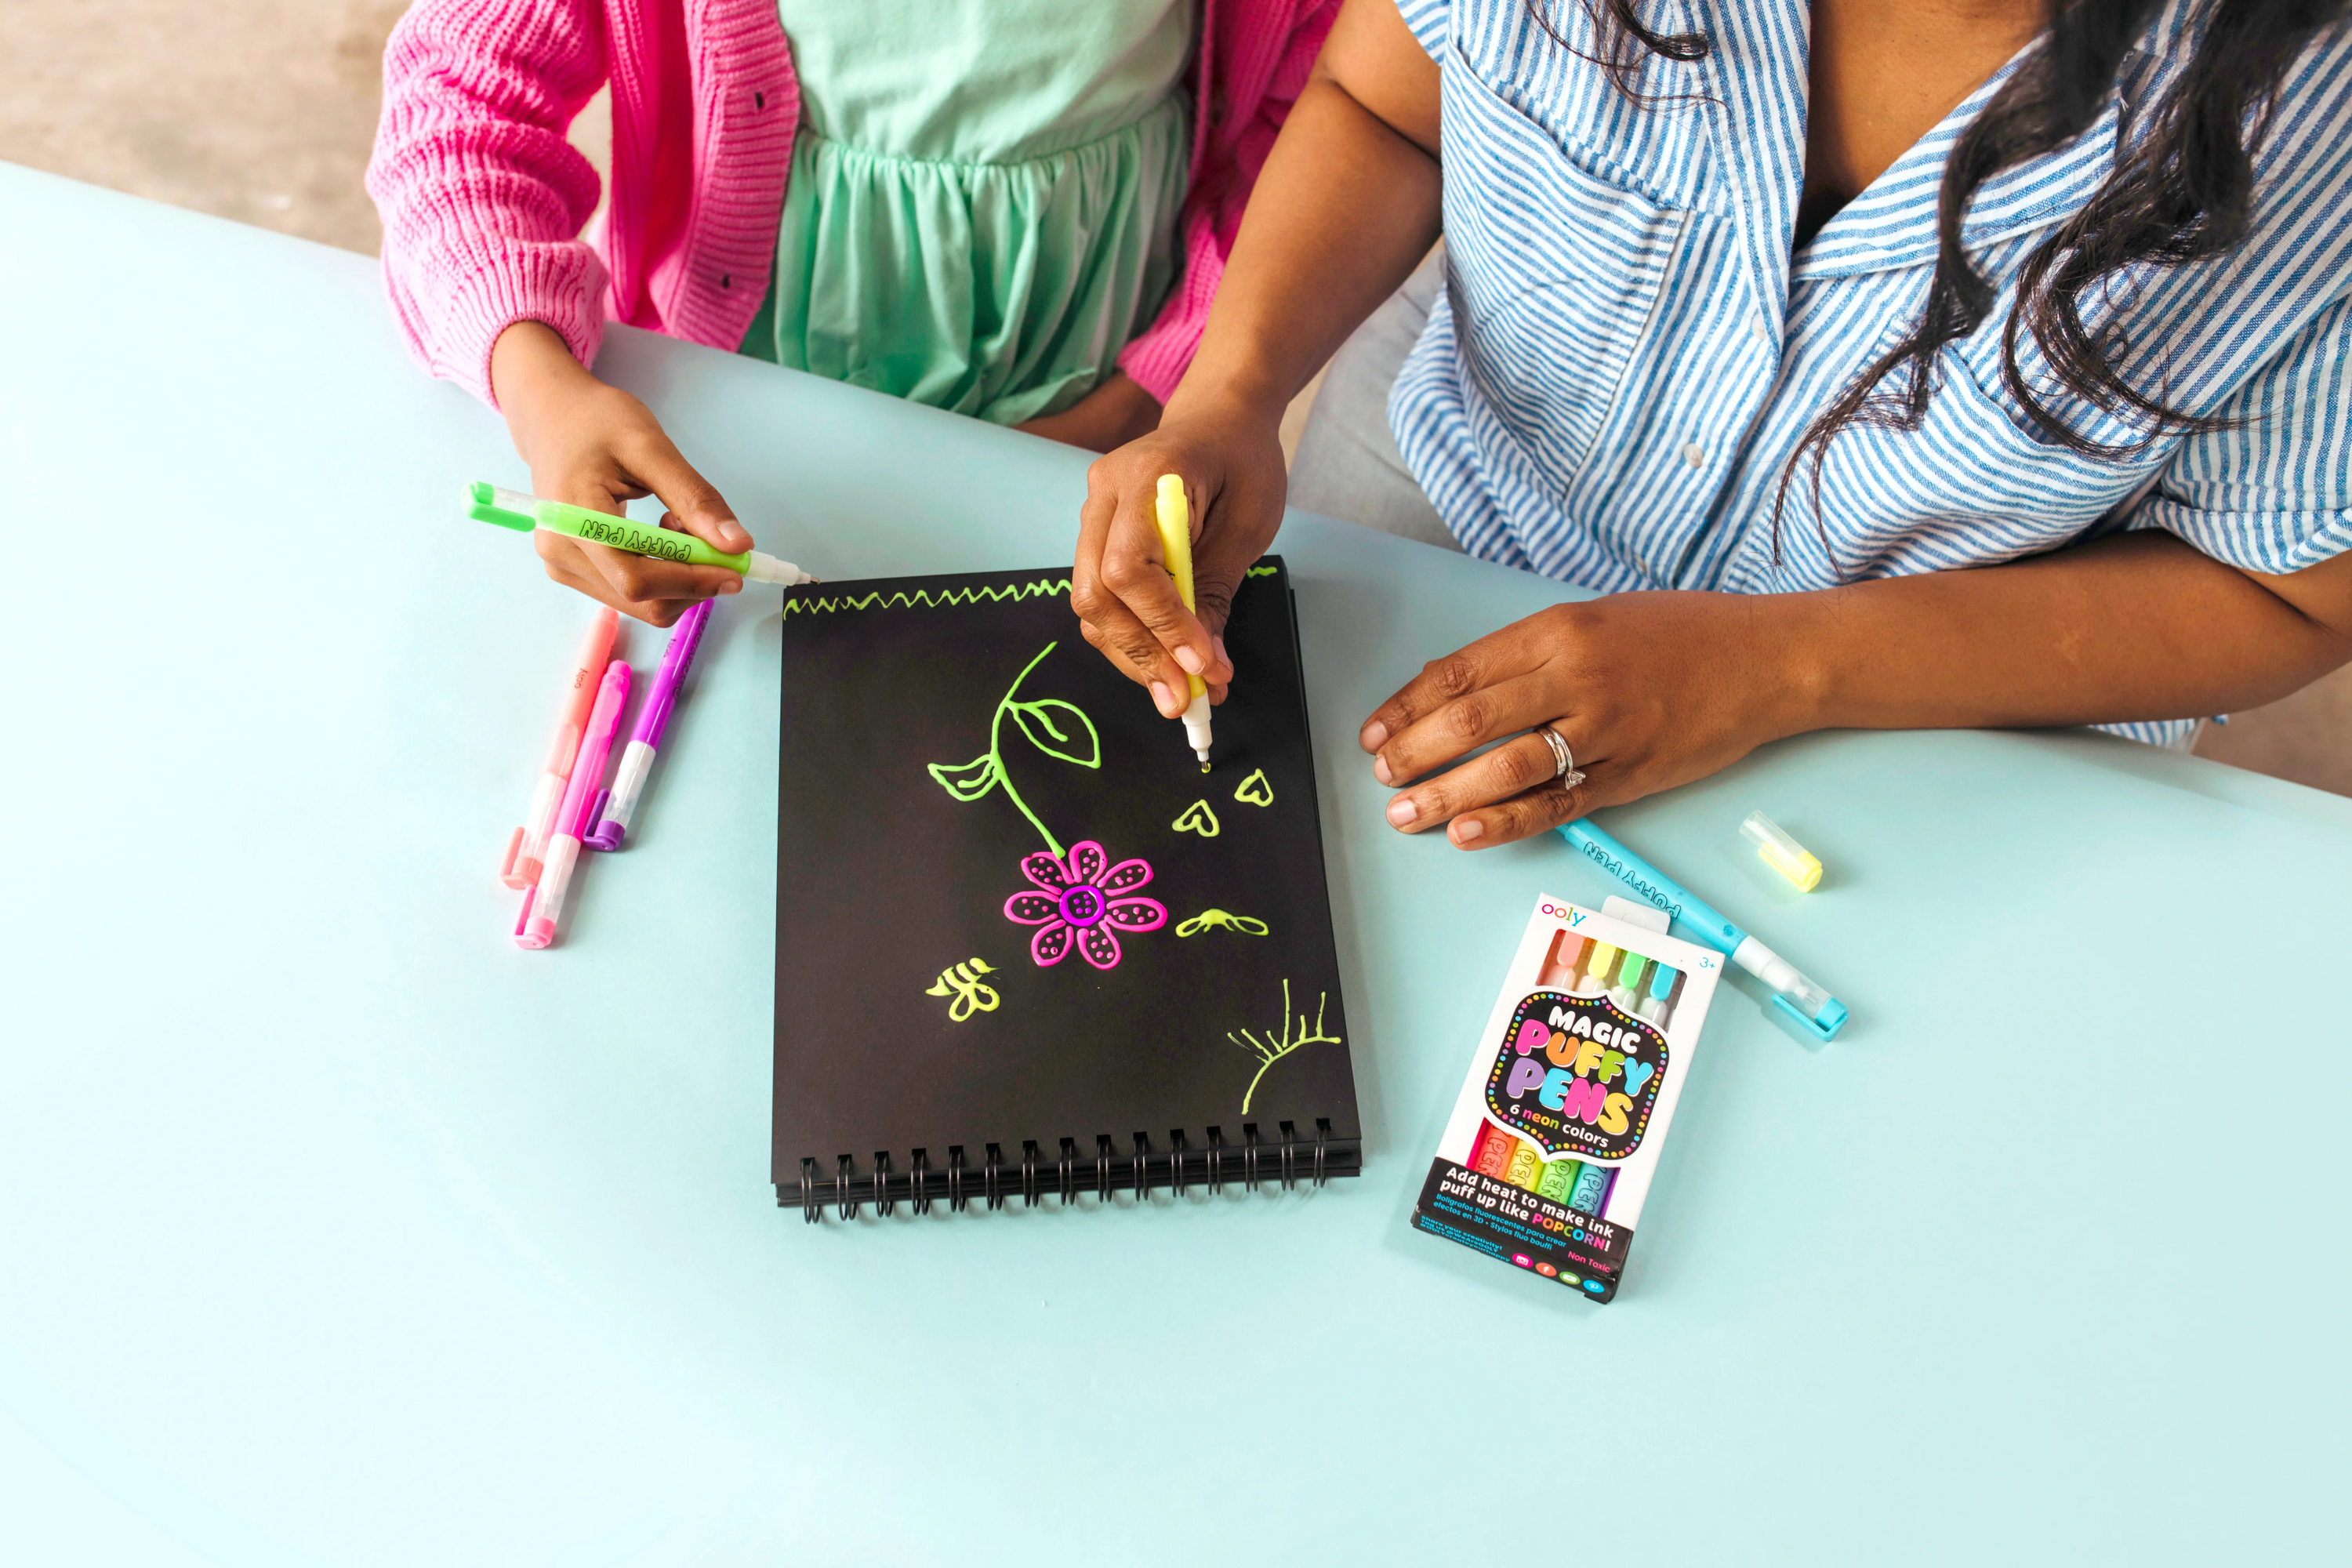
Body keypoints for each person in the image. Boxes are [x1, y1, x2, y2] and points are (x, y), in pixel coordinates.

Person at [1070, 0, 2352, 848]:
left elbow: (2294, 595)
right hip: (1449, 494)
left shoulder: (2316, 130)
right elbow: (1387, 102)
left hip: (1942, 698)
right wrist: (1233, 391)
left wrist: (1780, 668)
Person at [368, 0, 1337, 625]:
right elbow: (458, 112)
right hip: (732, 422)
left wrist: (1148, 387)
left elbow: (1306, 120)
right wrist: (541, 387)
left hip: (1090, 400)